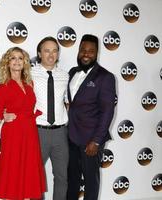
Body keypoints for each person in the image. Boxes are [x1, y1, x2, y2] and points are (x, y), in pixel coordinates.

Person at [3, 37, 69, 200]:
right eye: (46, 50)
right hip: (37, 132)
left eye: (54, 50)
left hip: (61, 132)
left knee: (62, 177)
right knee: (34, 179)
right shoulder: (29, 74)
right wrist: (5, 113)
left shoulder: (65, 76)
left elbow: (67, 101)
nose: (51, 54)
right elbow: (10, 93)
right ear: (39, 53)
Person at [0, 47, 46, 200]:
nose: (17, 61)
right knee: (13, 172)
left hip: (30, 134)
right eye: (13, 58)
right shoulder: (2, 87)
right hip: (13, 134)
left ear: (25, 62)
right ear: (7, 62)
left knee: (27, 174)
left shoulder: (30, 84)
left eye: (20, 58)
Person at [66, 34, 116, 200]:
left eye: (91, 51)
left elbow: (107, 111)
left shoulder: (105, 77)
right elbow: (71, 102)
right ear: (78, 51)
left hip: (90, 140)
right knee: (71, 179)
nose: (86, 54)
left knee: (90, 181)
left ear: (97, 53)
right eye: (83, 50)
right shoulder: (72, 72)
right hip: (71, 137)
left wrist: (96, 141)